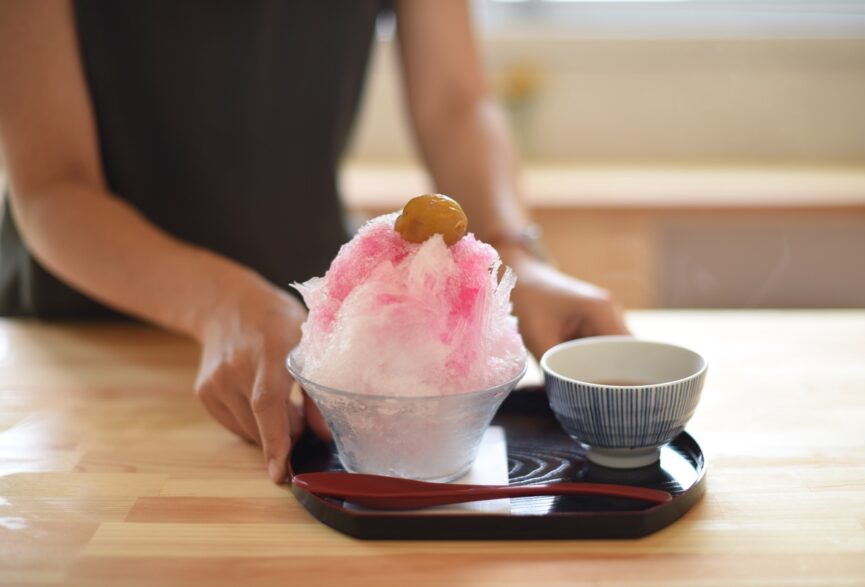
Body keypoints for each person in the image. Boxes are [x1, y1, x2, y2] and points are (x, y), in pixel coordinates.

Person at [0, 1, 627, 482]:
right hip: (91, 342)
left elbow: (456, 102)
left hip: (303, 340)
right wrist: (217, 302)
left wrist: (513, 251)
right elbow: (53, 183)